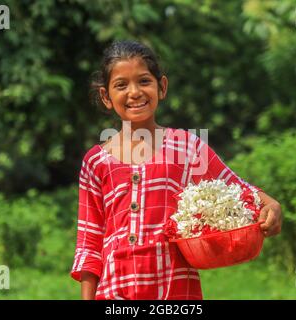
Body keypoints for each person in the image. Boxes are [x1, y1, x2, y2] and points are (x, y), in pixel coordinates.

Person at [71, 40, 282, 300]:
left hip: (175, 292)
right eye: (121, 85)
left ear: (162, 87)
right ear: (106, 96)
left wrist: (270, 204)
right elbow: (89, 244)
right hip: (114, 294)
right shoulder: (96, 162)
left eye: (144, 81)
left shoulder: (186, 147)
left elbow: (237, 189)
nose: (134, 92)